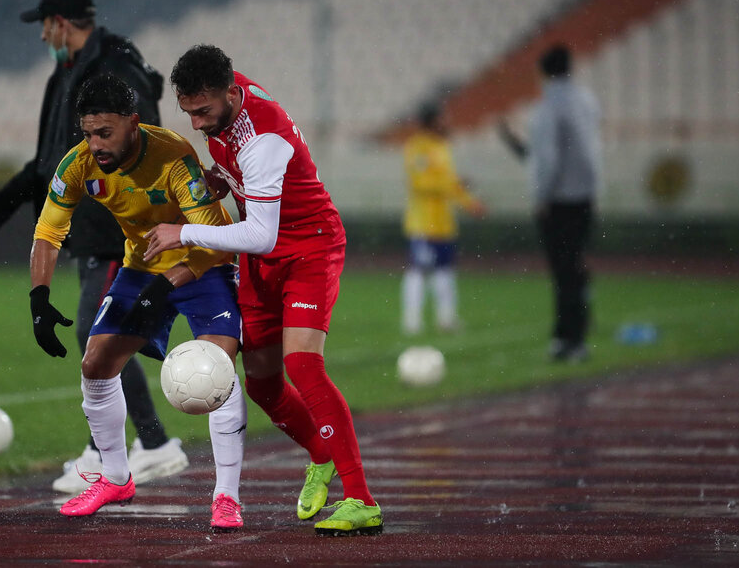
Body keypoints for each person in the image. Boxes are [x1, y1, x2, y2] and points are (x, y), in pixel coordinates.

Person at [144, 45, 383, 536]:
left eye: (203, 112)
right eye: (187, 112)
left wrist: (183, 233)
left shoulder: (263, 139)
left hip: (308, 247)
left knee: (302, 363)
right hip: (264, 257)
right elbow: (252, 206)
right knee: (262, 384)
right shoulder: (227, 96)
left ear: (231, 93)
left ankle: (362, 499)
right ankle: (321, 452)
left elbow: (260, 234)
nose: (195, 123)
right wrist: (223, 179)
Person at [0, 0, 186, 492]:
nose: (42, 34)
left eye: (44, 25)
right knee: (96, 335)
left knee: (96, 334)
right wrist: (11, 196)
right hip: (90, 229)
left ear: (60, 24)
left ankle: (121, 449)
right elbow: (54, 157)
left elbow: (141, 142)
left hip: (116, 230)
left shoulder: (113, 68)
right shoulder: (71, 71)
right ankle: (148, 444)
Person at [29, 74, 247, 530]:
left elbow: (215, 240)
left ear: (133, 123)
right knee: (96, 360)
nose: (95, 145)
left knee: (217, 367)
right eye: (87, 134)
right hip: (142, 267)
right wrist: (39, 297)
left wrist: (167, 285)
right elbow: (48, 232)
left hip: (203, 263)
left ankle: (226, 496)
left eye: (104, 133)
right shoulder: (77, 165)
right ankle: (115, 477)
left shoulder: (173, 156)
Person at [515, 44, 602, 362]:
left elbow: (548, 158)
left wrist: (541, 196)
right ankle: (574, 334)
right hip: (585, 196)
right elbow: (590, 149)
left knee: (563, 271)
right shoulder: (587, 101)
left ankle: (568, 339)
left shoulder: (547, 109)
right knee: (575, 267)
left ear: (542, 72)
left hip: (559, 201)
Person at [401, 101, 485, 335]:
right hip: (423, 222)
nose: (446, 122)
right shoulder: (417, 148)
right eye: (442, 118)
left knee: (444, 270)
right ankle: (412, 320)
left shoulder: (442, 147)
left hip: (443, 222)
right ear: (431, 121)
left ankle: (446, 318)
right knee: (418, 269)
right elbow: (420, 183)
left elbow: (451, 185)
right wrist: (453, 184)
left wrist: (471, 204)